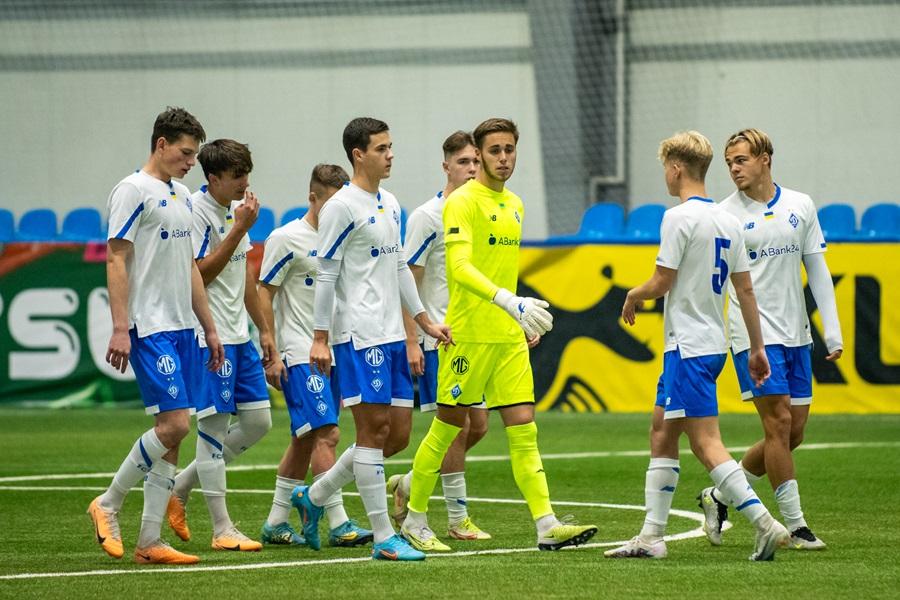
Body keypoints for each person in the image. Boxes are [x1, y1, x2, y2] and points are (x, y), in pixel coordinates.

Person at [399, 117, 597, 553]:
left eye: (509, 149)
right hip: (466, 335)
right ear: (479, 154)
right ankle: (414, 519)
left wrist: (518, 316)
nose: (503, 158)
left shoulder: (515, 205)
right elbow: (460, 268)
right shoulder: (461, 203)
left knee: (524, 429)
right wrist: (511, 301)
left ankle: (546, 523)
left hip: (507, 336)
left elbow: (500, 271)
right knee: (447, 428)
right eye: (494, 151)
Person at [604, 130, 788, 561]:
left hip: (687, 345)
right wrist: (757, 348)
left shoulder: (678, 218)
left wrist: (632, 295)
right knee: (661, 430)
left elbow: (661, 282)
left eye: (665, 170)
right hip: (710, 344)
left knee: (705, 443)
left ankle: (765, 523)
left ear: (676, 169)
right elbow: (745, 291)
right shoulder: (729, 220)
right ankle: (651, 536)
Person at [291, 117, 452, 562]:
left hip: (393, 334)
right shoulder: (340, 207)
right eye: (382, 148)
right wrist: (320, 338)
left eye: (390, 146)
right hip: (359, 335)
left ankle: (314, 496)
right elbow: (326, 274)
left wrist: (422, 321)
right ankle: (384, 538)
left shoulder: (391, 203)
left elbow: (399, 267)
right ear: (358, 154)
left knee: (396, 434)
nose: (390, 155)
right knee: (371, 430)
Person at [89, 107, 223, 565]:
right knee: (175, 426)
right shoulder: (131, 190)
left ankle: (149, 542)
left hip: (183, 327)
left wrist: (209, 327)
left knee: (174, 438)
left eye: (195, 154)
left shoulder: (182, 195)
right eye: (185, 153)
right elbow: (116, 259)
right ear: (161, 144)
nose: (191, 162)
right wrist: (120, 327)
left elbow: (189, 267)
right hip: (149, 326)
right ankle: (108, 502)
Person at [698, 128, 842, 550]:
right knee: (777, 425)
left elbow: (817, 269)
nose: (733, 169)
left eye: (741, 160)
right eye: (729, 163)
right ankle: (795, 526)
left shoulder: (800, 205)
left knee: (794, 433)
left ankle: (720, 495)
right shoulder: (723, 215)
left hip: (797, 333)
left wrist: (831, 330)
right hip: (753, 336)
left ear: (765, 159)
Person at [162, 139, 275, 552]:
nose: (245, 183)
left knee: (259, 422)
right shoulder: (195, 211)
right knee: (212, 430)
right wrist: (239, 229)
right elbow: (199, 275)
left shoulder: (234, 210)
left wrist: (265, 330)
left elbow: (244, 278)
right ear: (213, 178)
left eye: (247, 174)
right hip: (208, 335)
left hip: (240, 336)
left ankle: (181, 485)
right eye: (236, 176)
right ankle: (222, 528)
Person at [257, 163, 372, 548]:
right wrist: (271, 350)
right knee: (328, 433)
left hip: (337, 351)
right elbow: (264, 292)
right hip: (300, 351)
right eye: (331, 202)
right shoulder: (286, 238)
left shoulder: (346, 238)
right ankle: (339, 522)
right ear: (312, 197)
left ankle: (275, 522)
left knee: (304, 438)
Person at [386, 131, 492, 543]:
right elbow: (407, 279)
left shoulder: (482, 214)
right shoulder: (428, 217)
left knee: (478, 426)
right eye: (464, 162)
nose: (472, 169)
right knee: (456, 428)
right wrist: (413, 338)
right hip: (440, 339)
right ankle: (456, 518)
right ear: (446, 166)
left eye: (476, 162)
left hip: (476, 337)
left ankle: (411, 480)